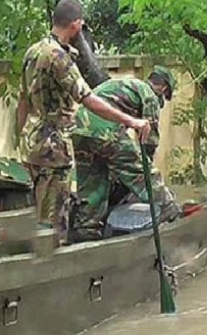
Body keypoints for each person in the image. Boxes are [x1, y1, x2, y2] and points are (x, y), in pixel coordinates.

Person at [17, 0, 152, 247]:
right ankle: (52, 271)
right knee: (55, 220)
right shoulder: (59, 57)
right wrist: (131, 120)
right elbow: (88, 99)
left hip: (31, 142)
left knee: (41, 212)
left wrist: (20, 139)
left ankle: (38, 260)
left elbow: (23, 101)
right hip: (54, 147)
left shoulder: (32, 51)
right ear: (76, 25)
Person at [68, 66, 179, 242]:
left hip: (80, 130)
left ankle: (87, 229)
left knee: (92, 182)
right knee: (141, 172)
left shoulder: (124, 83)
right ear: (164, 88)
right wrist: (141, 174)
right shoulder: (149, 94)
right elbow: (149, 140)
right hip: (105, 130)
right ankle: (167, 206)